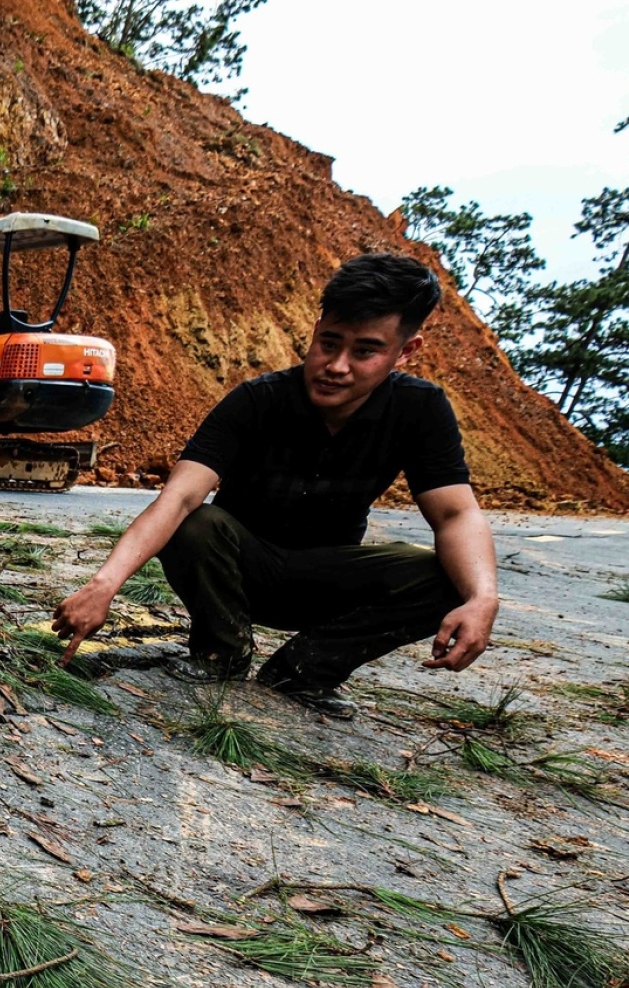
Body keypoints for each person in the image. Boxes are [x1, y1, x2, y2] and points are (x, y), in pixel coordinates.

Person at [52, 252, 498, 719]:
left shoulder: (420, 410)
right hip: (237, 575)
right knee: (196, 521)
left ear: (405, 351)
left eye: (365, 351)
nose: (337, 366)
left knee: (455, 575)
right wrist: (103, 585)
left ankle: (304, 670)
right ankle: (219, 653)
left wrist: (483, 598)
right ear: (315, 330)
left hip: (326, 585)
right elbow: (180, 496)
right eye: (328, 343)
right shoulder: (256, 400)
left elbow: (456, 514)